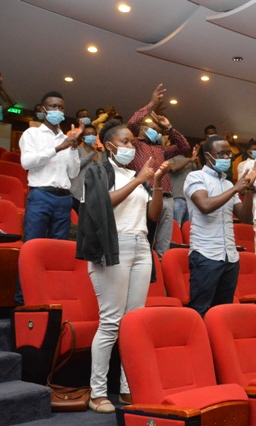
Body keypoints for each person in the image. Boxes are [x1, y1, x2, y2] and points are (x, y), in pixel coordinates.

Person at [85, 120, 167, 414]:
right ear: (109, 146)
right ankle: (97, 392)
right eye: (125, 142)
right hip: (113, 246)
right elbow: (102, 204)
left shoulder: (137, 176)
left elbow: (153, 215)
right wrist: (139, 178)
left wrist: (156, 182)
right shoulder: (98, 171)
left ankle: (126, 387)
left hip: (141, 246)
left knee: (133, 323)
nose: (131, 146)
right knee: (111, 322)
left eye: (133, 142)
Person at [184, 135, 256, 316]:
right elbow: (205, 206)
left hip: (230, 256)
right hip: (206, 254)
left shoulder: (227, 183)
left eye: (228, 154)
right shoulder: (195, 177)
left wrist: (249, 190)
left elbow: (245, 218)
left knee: (223, 312)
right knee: (200, 310)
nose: (226, 158)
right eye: (221, 154)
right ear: (208, 155)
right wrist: (235, 188)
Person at [18, 91, 81, 303]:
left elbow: (73, 173)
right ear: (43, 109)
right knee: (32, 247)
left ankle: (51, 299)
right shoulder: (32, 134)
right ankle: (23, 301)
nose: (57, 110)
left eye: (61, 107)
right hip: (41, 195)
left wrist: (73, 148)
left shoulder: (67, 138)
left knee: (57, 251)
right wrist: (58, 148)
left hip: (63, 199)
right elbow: (27, 163)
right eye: (53, 106)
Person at [126, 84, 191, 257]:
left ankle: (161, 267)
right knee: (144, 241)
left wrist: (170, 128)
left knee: (163, 244)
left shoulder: (161, 149)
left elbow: (184, 147)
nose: (156, 132)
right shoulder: (134, 144)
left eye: (158, 130)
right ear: (142, 129)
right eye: (152, 129)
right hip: (146, 196)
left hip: (168, 198)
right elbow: (132, 123)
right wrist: (151, 104)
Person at [70, 125, 105, 213]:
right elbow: (77, 166)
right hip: (77, 194)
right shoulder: (77, 150)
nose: (91, 136)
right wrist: (92, 152)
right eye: (88, 134)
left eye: (93, 134)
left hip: (94, 194)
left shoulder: (101, 154)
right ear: (83, 138)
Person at [167, 144, 200, 225]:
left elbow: (200, 173)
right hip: (177, 197)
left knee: (186, 228)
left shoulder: (190, 161)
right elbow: (173, 168)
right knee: (176, 226)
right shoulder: (170, 159)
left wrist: (196, 159)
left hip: (189, 200)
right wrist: (190, 159)